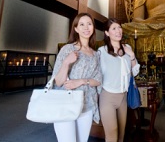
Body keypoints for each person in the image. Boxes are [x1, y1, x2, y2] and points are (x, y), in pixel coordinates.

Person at [51, 13, 102, 142]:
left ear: (93, 28)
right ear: (76, 29)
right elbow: (58, 81)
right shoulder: (67, 49)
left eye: (89, 24)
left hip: (87, 104)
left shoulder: (96, 54)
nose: (86, 27)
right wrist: (66, 62)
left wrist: (80, 82)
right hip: (66, 102)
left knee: (81, 140)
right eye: (82, 24)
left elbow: (98, 80)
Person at [98, 18, 140, 142]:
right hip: (107, 96)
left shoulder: (127, 47)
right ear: (107, 33)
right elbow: (96, 74)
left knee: (121, 135)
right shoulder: (102, 51)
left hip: (123, 97)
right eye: (114, 28)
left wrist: (131, 55)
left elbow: (135, 72)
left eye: (119, 27)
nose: (118, 31)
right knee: (112, 135)